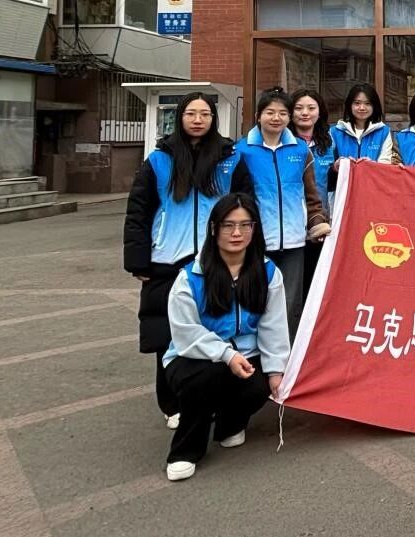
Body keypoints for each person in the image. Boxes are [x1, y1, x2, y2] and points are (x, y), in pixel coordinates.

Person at [124, 91, 252, 430]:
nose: (198, 120)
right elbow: (138, 211)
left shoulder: (230, 158)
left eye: (205, 114)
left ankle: (213, 399)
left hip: (217, 260)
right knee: (166, 334)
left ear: (214, 119)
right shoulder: (159, 160)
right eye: (191, 113)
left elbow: (246, 207)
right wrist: (138, 260)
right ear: (180, 117)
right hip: (167, 259)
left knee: (217, 331)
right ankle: (172, 403)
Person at [162, 193, 289, 482]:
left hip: (245, 354)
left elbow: (273, 326)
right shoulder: (190, 277)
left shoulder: (268, 273)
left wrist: (276, 371)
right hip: (191, 357)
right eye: (228, 225)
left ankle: (229, 425)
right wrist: (226, 355)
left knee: (261, 384)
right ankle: (185, 451)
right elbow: (185, 332)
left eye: (245, 225)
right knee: (208, 377)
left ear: (254, 229)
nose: (236, 233)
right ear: (213, 228)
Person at [236, 89, 329, 337]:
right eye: (270, 112)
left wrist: (316, 221)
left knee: (290, 303)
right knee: (256, 298)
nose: (276, 118)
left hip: (294, 241)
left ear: (289, 117)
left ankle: (287, 355)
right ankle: (254, 352)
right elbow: (236, 198)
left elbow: (311, 195)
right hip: (256, 241)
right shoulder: (242, 150)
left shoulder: (300, 150)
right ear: (258, 116)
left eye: (282, 113)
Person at [289, 89, 337, 301]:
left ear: (320, 112)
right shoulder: (284, 142)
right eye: (299, 108)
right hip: (292, 223)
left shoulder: (330, 143)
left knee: (315, 283)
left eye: (311, 108)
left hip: (320, 223)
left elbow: (334, 182)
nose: (305, 113)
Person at [330, 83, 395, 165]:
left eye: (367, 103)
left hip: (372, 173)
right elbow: (328, 163)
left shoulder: (383, 131)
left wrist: (371, 164)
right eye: (357, 103)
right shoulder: (335, 132)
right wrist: (336, 165)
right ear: (350, 105)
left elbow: (385, 164)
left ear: (374, 106)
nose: (362, 108)